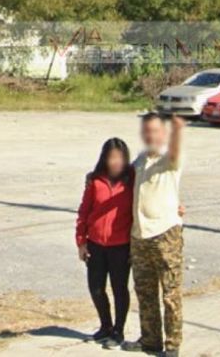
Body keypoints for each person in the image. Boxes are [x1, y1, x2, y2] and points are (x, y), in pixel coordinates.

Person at [123, 112, 185, 357]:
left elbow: (176, 152)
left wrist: (178, 131)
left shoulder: (169, 158)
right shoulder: (140, 160)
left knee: (170, 293)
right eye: (147, 131)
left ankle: (172, 346)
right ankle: (150, 340)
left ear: (164, 134)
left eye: (155, 131)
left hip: (165, 234)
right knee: (145, 292)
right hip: (139, 235)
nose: (151, 135)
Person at [75, 137, 134, 349]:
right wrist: (81, 241)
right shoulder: (95, 180)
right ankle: (105, 326)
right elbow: (84, 211)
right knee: (96, 288)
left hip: (121, 245)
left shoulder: (132, 180)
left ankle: (118, 331)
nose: (116, 161)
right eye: (111, 157)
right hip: (96, 244)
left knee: (119, 289)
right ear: (104, 158)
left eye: (120, 157)